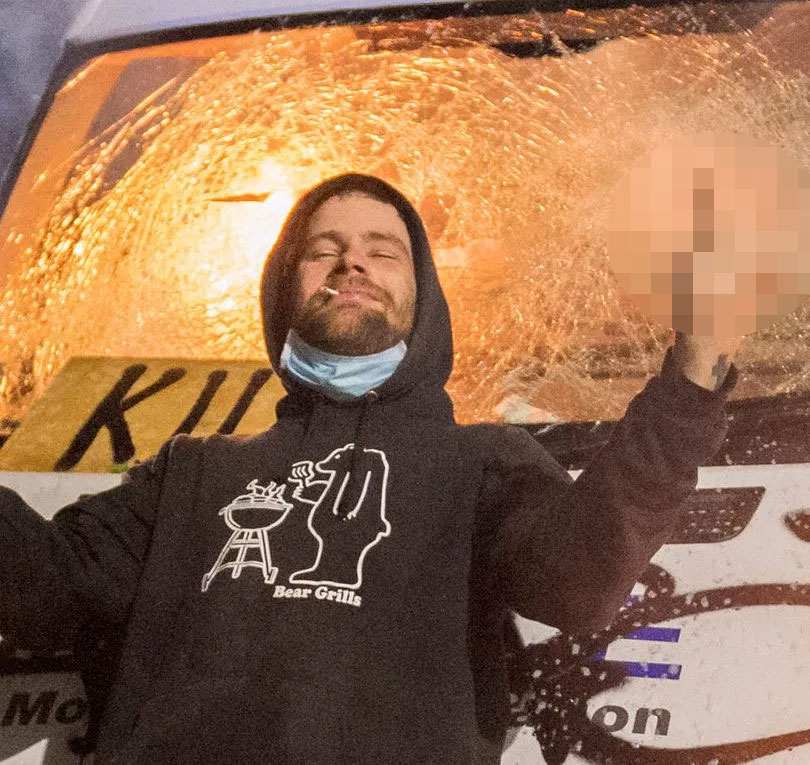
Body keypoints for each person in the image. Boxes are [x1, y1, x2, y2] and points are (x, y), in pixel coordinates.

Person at [0, 173, 739, 764]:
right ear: (283, 290)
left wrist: (694, 377)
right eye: (324, 249)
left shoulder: (481, 462)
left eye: (384, 250)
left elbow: (580, 577)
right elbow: (48, 589)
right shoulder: (192, 470)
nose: (352, 261)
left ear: (425, 301)